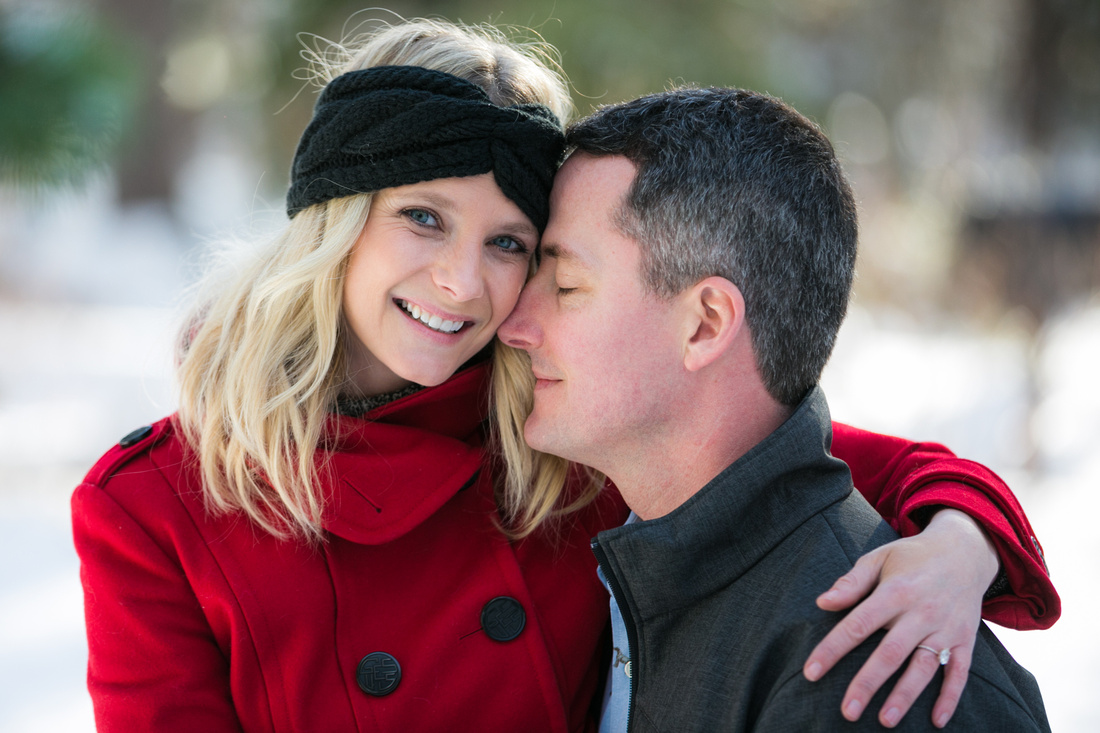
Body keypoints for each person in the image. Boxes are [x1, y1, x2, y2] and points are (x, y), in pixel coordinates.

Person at [71, 18, 1055, 733]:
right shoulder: (158, 505)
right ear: (337, 216)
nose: (463, 281)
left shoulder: (558, 443)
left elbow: (796, 468)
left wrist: (956, 547)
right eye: (422, 217)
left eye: (511, 242)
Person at [498, 87, 1051, 731]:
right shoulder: (645, 564)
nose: (515, 323)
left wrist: (966, 537)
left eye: (565, 285)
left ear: (705, 324)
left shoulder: (875, 677)